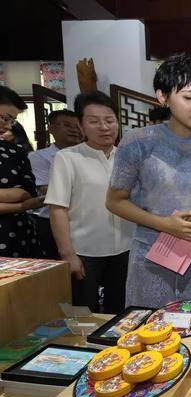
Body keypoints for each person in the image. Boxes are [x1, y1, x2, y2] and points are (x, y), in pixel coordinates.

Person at [106, 53, 191, 308]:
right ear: (162, 97)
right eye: (188, 97)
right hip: (151, 253)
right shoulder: (138, 142)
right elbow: (115, 201)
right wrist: (164, 224)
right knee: (149, 327)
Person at [45, 91, 134, 313]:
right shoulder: (67, 158)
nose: (104, 127)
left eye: (109, 120)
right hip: (85, 251)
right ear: (81, 126)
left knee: (120, 313)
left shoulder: (128, 157)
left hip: (126, 249)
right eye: (94, 121)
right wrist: (68, 254)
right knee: (83, 313)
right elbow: (57, 209)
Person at [28, 110, 81, 259]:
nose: (74, 130)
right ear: (51, 129)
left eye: (78, 126)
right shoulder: (38, 157)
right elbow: (47, 190)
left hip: (84, 221)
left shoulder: (87, 155)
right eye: (67, 125)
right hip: (52, 222)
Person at [0, 86, 45, 258]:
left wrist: (22, 200)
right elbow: (23, 199)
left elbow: (28, 191)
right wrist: (20, 206)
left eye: (11, 121)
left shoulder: (15, 151)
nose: (6, 126)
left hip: (18, 235)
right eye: (4, 118)